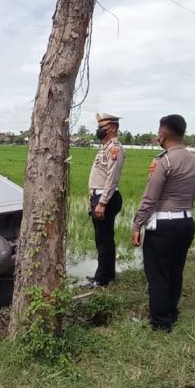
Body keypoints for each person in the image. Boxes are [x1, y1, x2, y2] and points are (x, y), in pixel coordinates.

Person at [132, 114, 195, 332]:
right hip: (186, 222)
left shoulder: (165, 161)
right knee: (175, 270)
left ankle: (161, 322)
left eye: (158, 132)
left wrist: (137, 224)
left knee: (158, 273)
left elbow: (150, 198)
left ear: (162, 134)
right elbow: (192, 196)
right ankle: (171, 311)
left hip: (164, 226)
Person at [87, 112, 125, 287]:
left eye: (103, 127)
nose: (99, 130)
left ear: (113, 128)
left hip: (106, 198)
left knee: (103, 240)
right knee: (104, 239)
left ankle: (102, 279)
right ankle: (106, 275)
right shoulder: (105, 147)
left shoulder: (115, 148)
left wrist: (102, 202)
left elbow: (112, 177)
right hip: (99, 196)